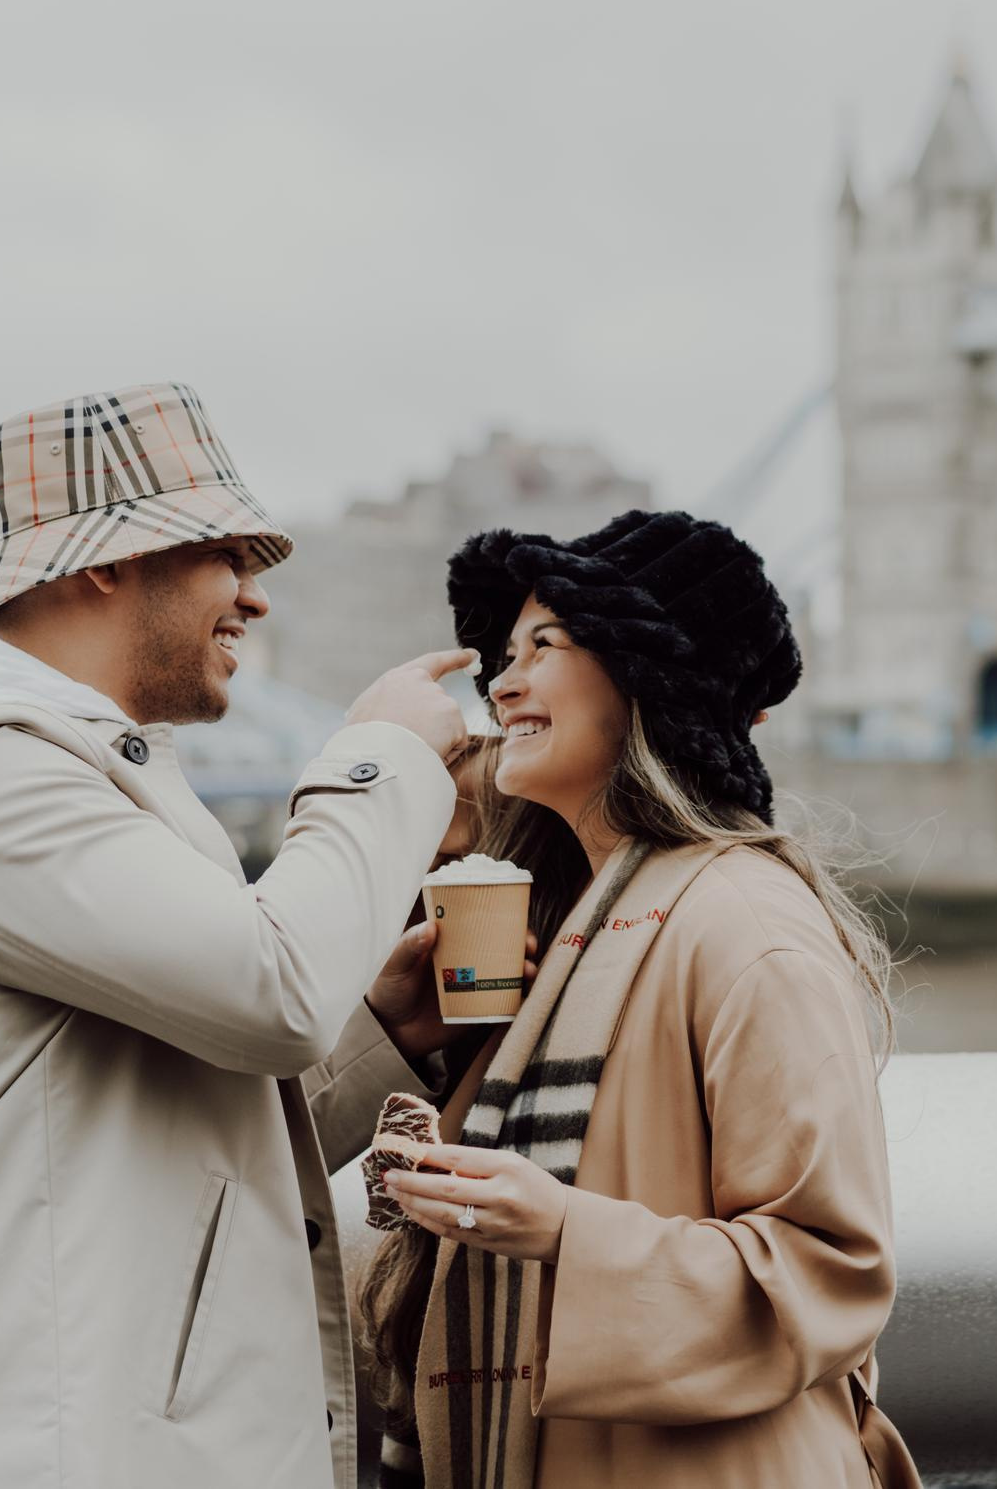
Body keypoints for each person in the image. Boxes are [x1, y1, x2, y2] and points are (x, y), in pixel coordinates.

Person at [0, 382, 486, 1488]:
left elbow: (160, 1140)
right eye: (228, 554)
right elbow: (272, 991)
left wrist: (381, 1035)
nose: (256, 600)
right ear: (103, 562)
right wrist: (379, 759)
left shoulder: (68, 769)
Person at [358, 509, 920, 1489]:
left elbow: (831, 1273)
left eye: (546, 644)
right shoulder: (574, 919)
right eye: (505, 650)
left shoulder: (745, 922)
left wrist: (565, 1231)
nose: (502, 679)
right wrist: (407, 1048)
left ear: (645, 682)